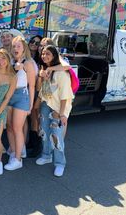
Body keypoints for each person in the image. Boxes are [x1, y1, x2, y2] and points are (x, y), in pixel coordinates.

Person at [36, 45, 73, 177]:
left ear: (54, 56)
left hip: (58, 108)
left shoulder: (61, 73)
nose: (44, 56)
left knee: (56, 136)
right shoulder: (45, 69)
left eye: (48, 54)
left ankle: (60, 163)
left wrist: (62, 114)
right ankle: (46, 155)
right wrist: (41, 76)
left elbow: (65, 96)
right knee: (44, 132)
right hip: (46, 105)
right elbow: (41, 90)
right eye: (43, 53)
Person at [4, 36, 36, 170]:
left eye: (18, 46)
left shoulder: (28, 63)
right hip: (9, 95)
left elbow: (32, 86)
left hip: (22, 96)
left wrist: (30, 105)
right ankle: (13, 151)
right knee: (10, 127)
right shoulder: (10, 61)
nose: (15, 48)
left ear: (24, 48)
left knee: (17, 128)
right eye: (13, 46)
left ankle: (18, 159)